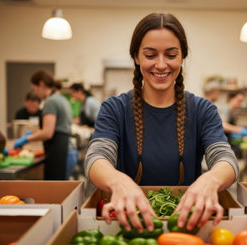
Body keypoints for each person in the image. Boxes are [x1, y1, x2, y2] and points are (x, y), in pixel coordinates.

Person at [85, 13, 238, 234]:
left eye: (171, 54)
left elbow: (225, 158)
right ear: (136, 57)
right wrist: (118, 182)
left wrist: (211, 180)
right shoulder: (114, 109)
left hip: (186, 225)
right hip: (130, 224)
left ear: (182, 57)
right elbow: (96, 157)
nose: (160, 64)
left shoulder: (202, 110)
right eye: (150, 54)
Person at [13, 69, 73, 180]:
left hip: (57, 151)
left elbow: (47, 133)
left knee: (55, 192)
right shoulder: (62, 99)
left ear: (41, 84)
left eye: (34, 89)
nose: (35, 93)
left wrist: (26, 139)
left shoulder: (51, 101)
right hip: (66, 150)